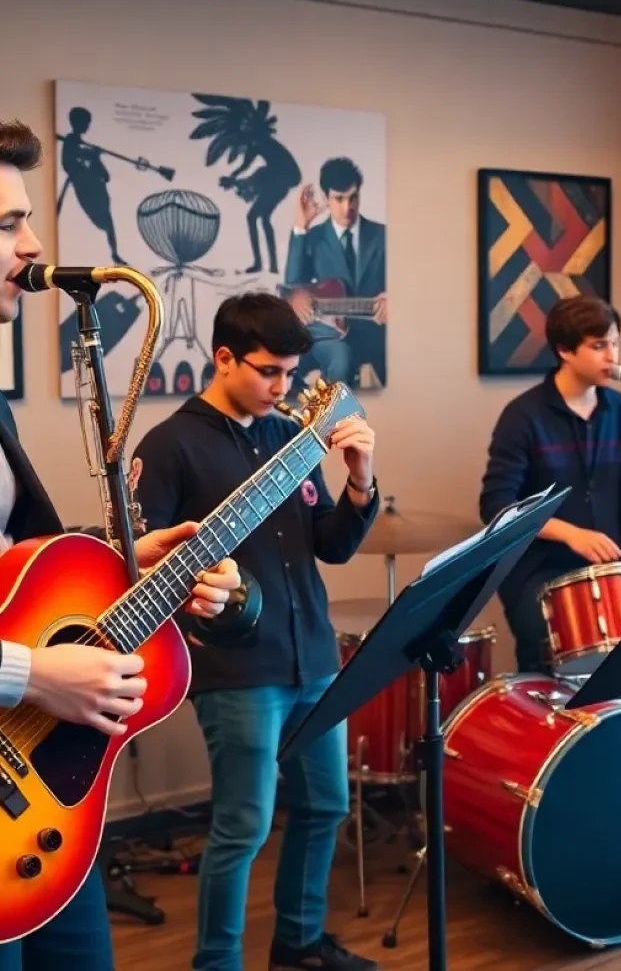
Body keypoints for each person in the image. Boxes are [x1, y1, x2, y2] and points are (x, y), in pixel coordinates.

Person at [0, 122, 241, 969]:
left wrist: (123, 565)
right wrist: (36, 675)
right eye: (5, 225)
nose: (32, 246)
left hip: (33, 798)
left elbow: (14, 574)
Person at [130, 292, 380, 971]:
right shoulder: (171, 443)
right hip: (238, 668)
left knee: (325, 807)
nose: (284, 386)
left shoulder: (287, 437)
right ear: (223, 358)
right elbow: (137, 567)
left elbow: (328, 543)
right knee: (242, 828)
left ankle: (298, 946)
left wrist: (359, 484)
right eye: (269, 371)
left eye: (292, 372)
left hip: (313, 655)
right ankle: (218, 963)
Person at [479, 294, 621, 673]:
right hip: (541, 572)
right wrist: (570, 533)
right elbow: (496, 506)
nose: (613, 357)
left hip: (616, 569)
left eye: (615, 343)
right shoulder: (523, 416)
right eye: (599, 346)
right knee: (551, 677)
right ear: (564, 351)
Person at [284, 157, 387, 390]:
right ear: (326, 199)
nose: (347, 207)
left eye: (353, 198)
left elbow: (406, 283)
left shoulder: (383, 235)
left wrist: (394, 298)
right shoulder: (313, 238)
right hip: (329, 335)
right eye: (339, 199)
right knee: (339, 360)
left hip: (377, 333)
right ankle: (330, 423)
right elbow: (292, 284)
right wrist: (301, 226)